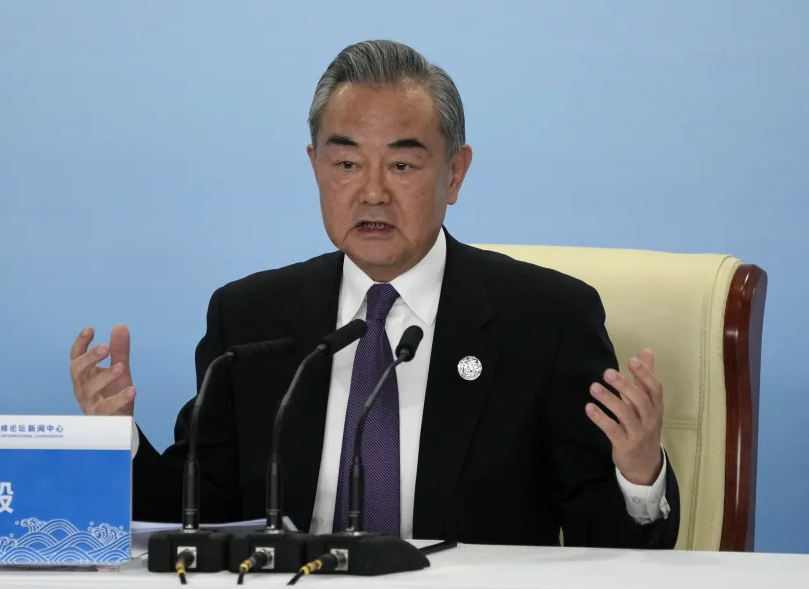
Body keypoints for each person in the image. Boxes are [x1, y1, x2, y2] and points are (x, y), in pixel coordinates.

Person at [68, 40, 679, 548]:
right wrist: (116, 436)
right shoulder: (248, 319)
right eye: (346, 164)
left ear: (456, 173)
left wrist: (639, 470)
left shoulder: (546, 319)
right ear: (315, 167)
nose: (373, 193)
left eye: (404, 166)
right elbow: (196, 514)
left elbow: (614, 549)